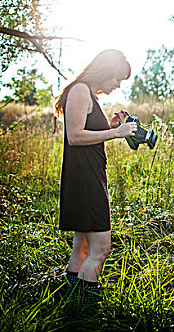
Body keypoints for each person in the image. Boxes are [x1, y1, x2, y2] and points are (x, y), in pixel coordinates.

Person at [53, 49, 137, 311]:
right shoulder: (80, 90)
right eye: (117, 79)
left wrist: (110, 128)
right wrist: (118, 134)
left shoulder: (88, 95)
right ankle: (86, 311)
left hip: (88, 177)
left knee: (82, 247)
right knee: (101, 249)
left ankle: (73, 309)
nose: (117, 86)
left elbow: (86, 132)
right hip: (86, 181)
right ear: (106, 71)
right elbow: (74, 137)